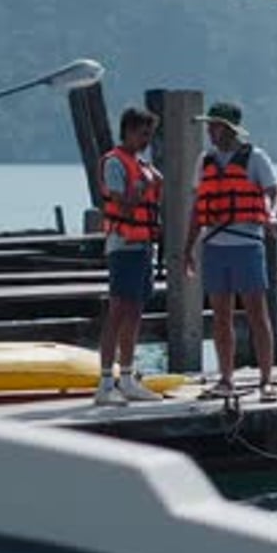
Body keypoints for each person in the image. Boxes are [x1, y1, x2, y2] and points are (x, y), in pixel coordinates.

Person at [184, 102, 277, 402]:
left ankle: (267, 380)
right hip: (214, 245)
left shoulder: (255, 158)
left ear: (228, 128)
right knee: (220, 316)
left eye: (213, 126)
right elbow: (197, 208)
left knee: (257, 314)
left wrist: (274, 216)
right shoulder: (205, 161)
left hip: (247, 244)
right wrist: (188, 248)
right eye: (208, 126)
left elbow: (275, 193)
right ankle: (225, 379)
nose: (209, 132)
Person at [94, 106, 163, 405]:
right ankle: (105, 383)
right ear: (129, 131)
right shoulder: (114, 163)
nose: (147, 140)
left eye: (150, 134)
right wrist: (143, 185)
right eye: (144, 133)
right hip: (123, 244)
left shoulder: (140, 162)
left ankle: (127, 378)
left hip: (143, 245)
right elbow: (123, 206)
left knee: (135, 313)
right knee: (118, 311)